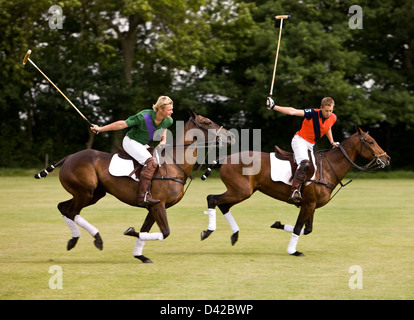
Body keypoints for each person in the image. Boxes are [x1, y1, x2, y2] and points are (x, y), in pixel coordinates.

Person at [90, 96, 174, 206]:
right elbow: (121, 124)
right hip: (131, 142)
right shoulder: (144, 116)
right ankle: (143, 195)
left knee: (160, 161)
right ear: (160, 109)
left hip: (143, 144)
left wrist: (163, 141)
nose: (171, 112)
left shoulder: (168, 120)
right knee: (151, 162)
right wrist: (100, 129)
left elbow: (164, 131)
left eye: (172, 109)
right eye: (169, 109)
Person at [266, 96, 339, 204]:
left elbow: (328, 127)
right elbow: (293, 111)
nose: (328, 113)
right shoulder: (313, 113)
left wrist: (332, 141)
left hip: (310, 145)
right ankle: (294, 191)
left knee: (313, 170)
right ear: (321, 108)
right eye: (326, 110)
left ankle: (306, 192)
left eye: (330, 111)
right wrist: (274, 107)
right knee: (304, 164)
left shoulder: (333, 117)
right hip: (300, 141)